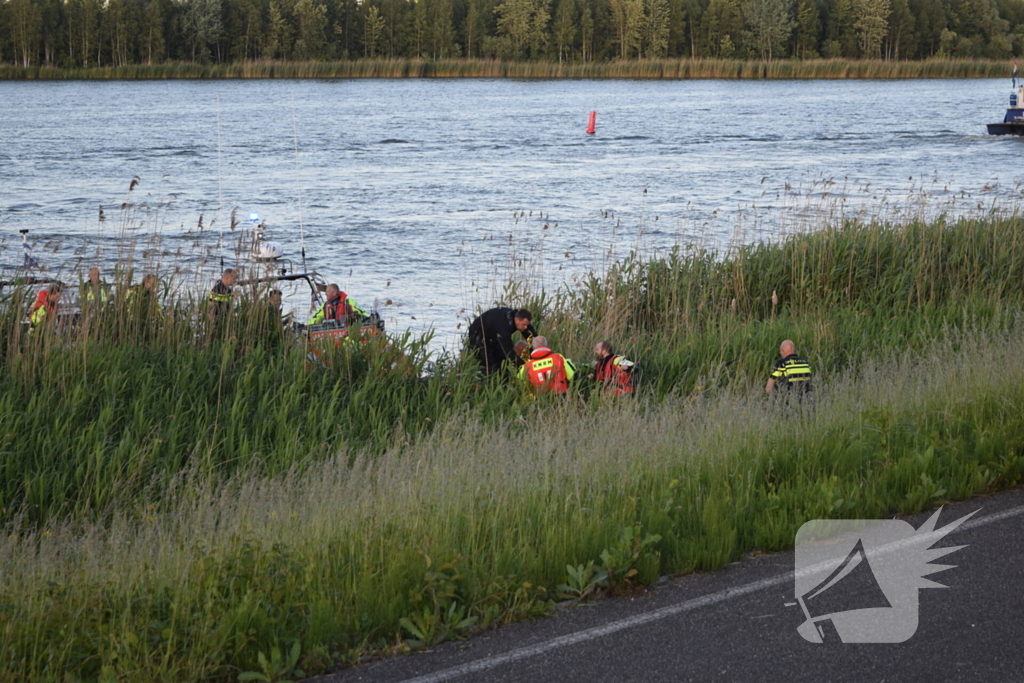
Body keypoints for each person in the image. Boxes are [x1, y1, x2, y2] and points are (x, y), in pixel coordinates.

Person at [467, 307, 537, 375]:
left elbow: (532, 336)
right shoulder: (504, 327)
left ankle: (502, 376)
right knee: (488, 363)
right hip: (478, 333)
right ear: (517, 320)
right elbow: (509, 352)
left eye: (527, 325)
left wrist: (537, 353)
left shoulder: (518, 317)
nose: (526, 327)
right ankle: (488, 379)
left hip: (493, 332)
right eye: (524, 325)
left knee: (501, 360)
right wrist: (524, 367)